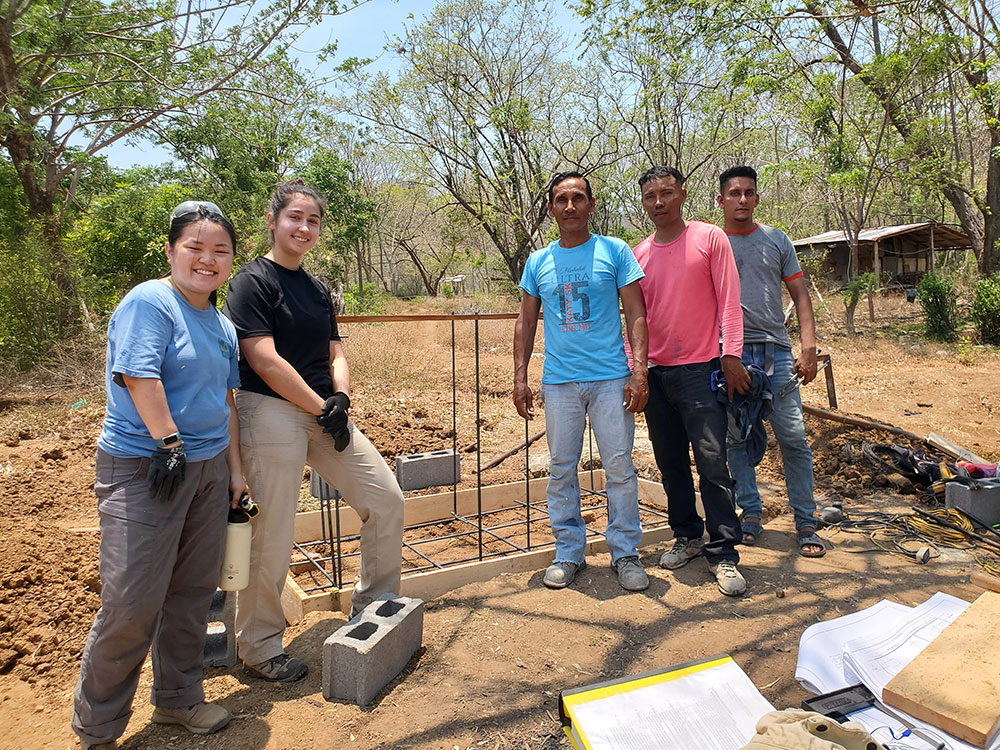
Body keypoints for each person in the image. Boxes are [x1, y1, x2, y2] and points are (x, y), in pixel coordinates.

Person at [72, 201, 243, 749]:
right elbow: (137, 373)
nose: (207, 259)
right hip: (146, 467)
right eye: (194, 247)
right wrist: (168, 442)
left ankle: (178, 699)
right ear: (170, 251)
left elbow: (226, 400)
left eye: (220, 250)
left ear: (231, 261)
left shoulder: (221, 324)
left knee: (192, 592)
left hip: (209, 468)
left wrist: (234, 471)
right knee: (131, 599)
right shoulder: (152, 302)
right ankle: (97, 729)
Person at [223, 179, 404, 683]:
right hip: (270, 412)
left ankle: (374, 605)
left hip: (325, 411)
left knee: (385, 497)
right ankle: (259, 646)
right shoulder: (251, 282)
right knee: (273, 530)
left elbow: (335, 351)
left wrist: (340, 401)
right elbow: (263, 358)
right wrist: (322, 406)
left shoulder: (318, 287)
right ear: (273, 220)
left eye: (313, 220)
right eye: (294, 217)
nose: (304, 227)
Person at [513, 170, 650, 592]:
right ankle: (569, 552)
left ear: (590, 204)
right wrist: (520, 379)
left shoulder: (614, 251)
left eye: (577, 198)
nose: (569, 206)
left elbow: (637, 313)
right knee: (560, 468)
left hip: (611, 379)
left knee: (620, 467)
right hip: (560, 383)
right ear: (551, 208)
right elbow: (526, 320)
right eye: (561, 200)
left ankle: (625, 552)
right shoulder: (539, 261)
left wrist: (639, 370)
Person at [632, 165, 750, 597]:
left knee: (713, 464)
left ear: (682, 195)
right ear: (643, 203)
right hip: (657, 377)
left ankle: (724, 554)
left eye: (666, 193)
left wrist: (731, 354)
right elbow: (634, 320)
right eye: (650, 196)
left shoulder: (708, 238)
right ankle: (687, 536)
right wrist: (637, 369)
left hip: (702, 370)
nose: (659, 202)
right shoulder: (638, 254)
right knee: (671, 465)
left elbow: (730, 301)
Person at [717, 165, 824, 557]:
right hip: (730, 353)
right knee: (736, 438)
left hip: (775, 351)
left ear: (757, 198)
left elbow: (800, 295)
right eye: (734, 193)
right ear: (721, 200)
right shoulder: (713, 243)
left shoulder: (776, 240)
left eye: (748, 193)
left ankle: (806, 520)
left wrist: (808, 347)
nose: (741, 199)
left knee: (793, 436)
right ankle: (751, 513)